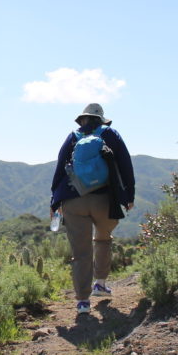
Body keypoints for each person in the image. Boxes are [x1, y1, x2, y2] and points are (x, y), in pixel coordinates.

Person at [49, 103, 135, 315]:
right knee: (103, 239)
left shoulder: (72, 137)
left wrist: (55, 200)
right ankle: (101, 283)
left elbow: (61, 168)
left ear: (83, 120)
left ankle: (82, 302)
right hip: (104, 199)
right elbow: (125, 164)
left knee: (80, 253)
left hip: (73, 200)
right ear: (101, 119)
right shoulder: (111, 134)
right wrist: (128, 195)